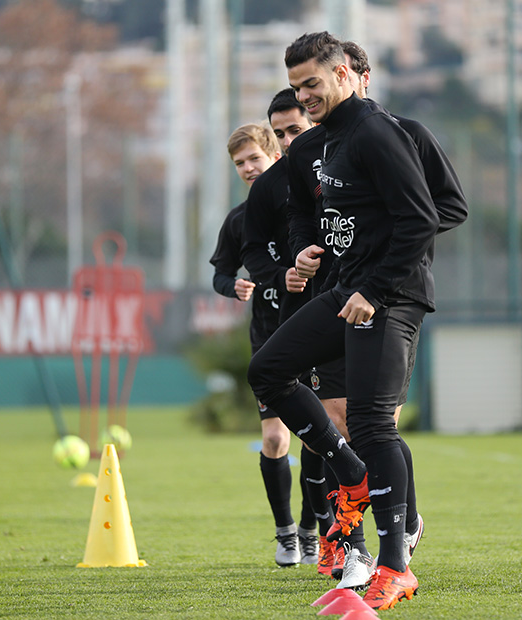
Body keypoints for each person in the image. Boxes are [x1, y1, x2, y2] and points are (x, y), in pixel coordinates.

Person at [248, 32, 444, 610]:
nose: (304, 96)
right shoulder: (326, 139)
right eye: (297, 87)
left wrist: (375, 290)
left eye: (312, 83)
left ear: (343, 74)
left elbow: (423, 219)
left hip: (390, 297)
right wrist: (308, 250)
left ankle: (395, 567)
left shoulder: (377, 132)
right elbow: (312, 215)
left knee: (372, 422)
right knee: (268, 371)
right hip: (345, 290)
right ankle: (350, 474)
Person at [242, 88, 350, 580]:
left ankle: (342, 531)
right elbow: (251, 250)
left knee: (352, 428)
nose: (288, 140)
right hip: (300, 318)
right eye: (280, 133)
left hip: (355, 306)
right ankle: (320, 535)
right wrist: (280, 273)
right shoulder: (271, 186)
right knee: (315, 428)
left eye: (295, 130)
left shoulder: (347, 166)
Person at [209, 122, 316, 567]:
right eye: (240, 163)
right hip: (269, 341)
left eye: (254, 158)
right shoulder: (240, 219)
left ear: (275, 154)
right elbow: (220, 272)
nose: (248, 168)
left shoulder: (307, 206)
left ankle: (312, 531)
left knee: (317, 440)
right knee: (274, 438)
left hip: (312, 339)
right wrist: (231, 285)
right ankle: (285, 533)